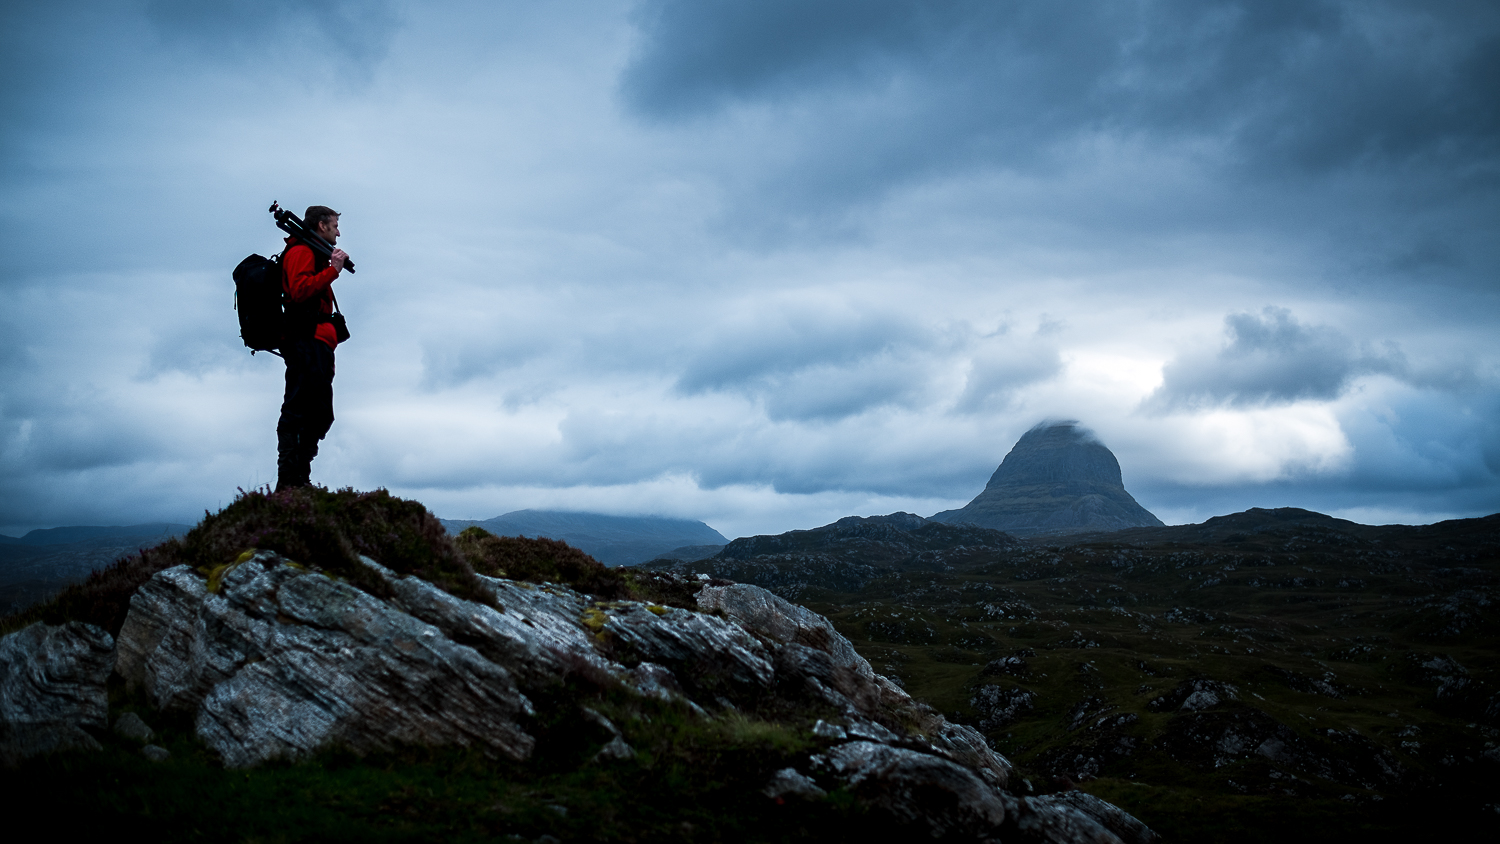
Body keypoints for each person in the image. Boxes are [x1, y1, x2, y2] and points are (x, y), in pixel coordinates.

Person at [275, 205, 349, 492]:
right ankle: (290, 483)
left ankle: (299, 480)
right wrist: (333, 271)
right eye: (334, 226)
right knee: (299, 410)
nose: (338, 232)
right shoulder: (301, 252)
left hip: (317, 343)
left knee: (319, 413)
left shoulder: (311, 251)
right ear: (321, 226)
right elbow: (299, 290)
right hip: (304, 341)